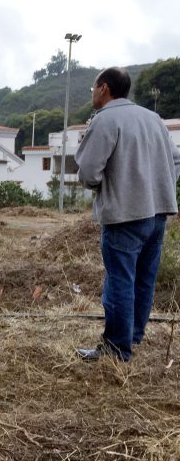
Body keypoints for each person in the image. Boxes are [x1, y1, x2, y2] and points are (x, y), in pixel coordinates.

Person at [75, 67, 180, 362]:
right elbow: (176, 158)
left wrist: (102, 185)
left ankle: (117, 347)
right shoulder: (154, 118)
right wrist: (161, 186)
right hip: (158, 212)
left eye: (93, 88)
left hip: (124, 214)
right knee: (143, 279)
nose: (93, 93)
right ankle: (132, 336)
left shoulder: (105, 119)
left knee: (120, 280)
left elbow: (88, 171)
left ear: (104, 88)